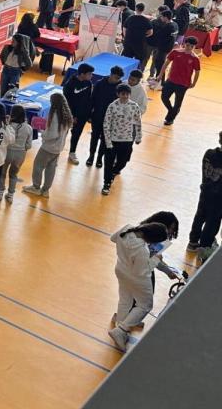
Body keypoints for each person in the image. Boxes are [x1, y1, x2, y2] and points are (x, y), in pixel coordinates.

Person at [107, 223, 169, 351]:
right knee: (145, 305)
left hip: (120, 269)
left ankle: (121, 323)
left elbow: (113, 238)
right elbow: (141, 271)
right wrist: (156, 259)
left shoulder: (127, 228)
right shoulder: (142, 250)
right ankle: (122, 330)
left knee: (126, 299)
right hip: (136, 279)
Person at [24, 92, 72, 198]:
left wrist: (43, 134)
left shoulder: (55, 115)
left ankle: (36, 187)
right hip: (58, 148)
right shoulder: (66, 115)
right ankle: (45, 190)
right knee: (51, 168)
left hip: (48, 148)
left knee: (38, 165)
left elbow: (53, 134)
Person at [101, 84, 142, 196]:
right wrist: (108, 141)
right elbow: (106, 124)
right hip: (113, 140)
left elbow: (138, 122)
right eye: (123, 94)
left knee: (123, 162)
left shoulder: (134, 106)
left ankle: (114, 172)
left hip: (127, 140)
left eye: (127, 94)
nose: (125, 96)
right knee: (108, 162)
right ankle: (106, 183)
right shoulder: (112, 106)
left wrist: (138, 136)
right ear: (118, 94)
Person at [187, 131, 222, 254]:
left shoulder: (209, 153)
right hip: (219, 198)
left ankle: (193, 241)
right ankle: (205, 247)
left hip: (205, 191)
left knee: (200, 216)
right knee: (212, 222)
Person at [158, 36, 200, 126]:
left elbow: (197, 72)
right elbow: (166, 63)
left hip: (183, 84)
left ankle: (170, 119)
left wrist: (194, 83)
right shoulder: (175, 52)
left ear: (194, 47)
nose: (189, 48)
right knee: (164, 97)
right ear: (185, 43)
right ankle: (171, 110)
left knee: (178, 103)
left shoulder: (195, 58)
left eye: (192, 46)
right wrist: (160, 75)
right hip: (171, 80)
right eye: (188, 45)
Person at [88, 66, 124, 168]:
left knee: (105, 140)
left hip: (110, 119)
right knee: (94, 136)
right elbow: (92, 99)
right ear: (111, 74)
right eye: (116, 77)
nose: (117, 80)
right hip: (97, 116)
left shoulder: (120, 87)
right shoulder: (100, 83)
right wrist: (90, 114)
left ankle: (99, 158)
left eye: (119, 78)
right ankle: (91, 156)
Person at [0, 105, 33, 204]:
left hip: (6, 152)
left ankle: (0, 192)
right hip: (20, 154)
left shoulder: (6, 125)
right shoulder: (28, 128)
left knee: (2, 173)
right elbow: (29, 145)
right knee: (14, 174)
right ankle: (10, 195)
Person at [64, 63, 94, 165]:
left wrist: (89, 115)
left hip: (82, 115)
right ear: (82, 74)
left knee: (76, 134)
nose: (91, 76)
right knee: (64, 132)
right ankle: (56, 150)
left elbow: (89, 100)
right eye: (89, 74)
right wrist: (72, 116)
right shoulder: (69, 85)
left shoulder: (89, 84)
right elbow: (66, 102)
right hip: (70, 115)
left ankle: (72, 152)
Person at [121, 3, 153, 71]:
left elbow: (124, 29)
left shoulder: (130, 18)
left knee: (127, 59)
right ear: (143, 9)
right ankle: (136, 73)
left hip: (129, 42)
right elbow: (150, 32)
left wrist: (126, 37)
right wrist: (143, 35)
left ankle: (125, 72)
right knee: (139, 60)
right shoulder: (146, 20)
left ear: (136, 8)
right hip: (140, 43)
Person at [149, 9, 177, 79]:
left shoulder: (168, 27)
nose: (161, 18)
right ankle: (158, 79)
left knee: (160, 65)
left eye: (161, 17)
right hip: (168, 47)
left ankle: (160, 81)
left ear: (165, 17)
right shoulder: (175, 25)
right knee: (160, 64)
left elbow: (159, 36)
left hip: (163, 48)